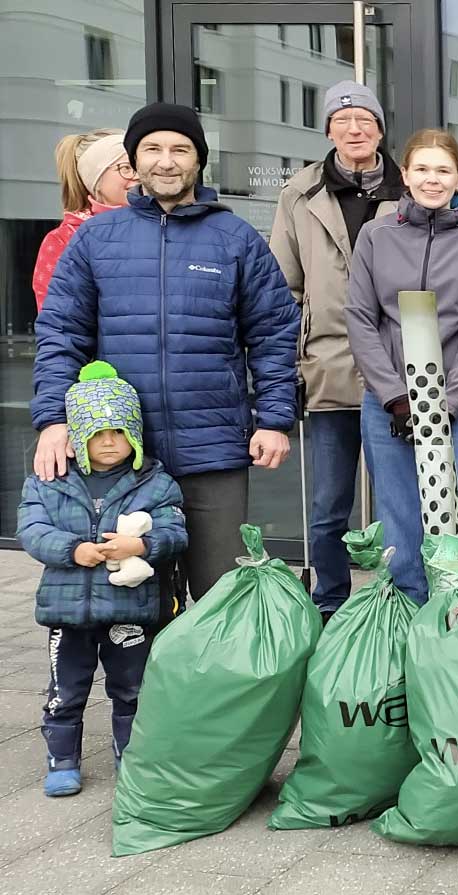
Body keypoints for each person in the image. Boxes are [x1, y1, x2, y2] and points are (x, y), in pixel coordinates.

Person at [34, 102, 298, 603]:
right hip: (120, 452)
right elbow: (60, 333)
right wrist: (53, 418)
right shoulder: (95, 239)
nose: (167, 160)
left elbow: (274, 331)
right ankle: (138, 685)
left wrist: (274, 418)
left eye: (180, 149)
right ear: (134, 162)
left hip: (214, 450)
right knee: (132, 593)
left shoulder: (234, 238)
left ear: (198, 159)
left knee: (221, 594)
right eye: (152, 149)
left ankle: (215, 683)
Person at [345, 128, 458, 604]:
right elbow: (360, 317)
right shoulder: (376, 235)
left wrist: (447, 401)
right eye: (421, 169)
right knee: (401, 531)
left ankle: (454, 639)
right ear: (405, 174)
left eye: (443, 170)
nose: (431, 180)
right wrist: (395, 395)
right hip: (389, 407)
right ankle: (406, 639)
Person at [18, 362, 187, 798]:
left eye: (118, 432)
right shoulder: (48, 481)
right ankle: (62, 760)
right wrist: (72, 550)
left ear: (133, 434)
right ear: (76, 437)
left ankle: (130, 756)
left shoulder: (155, 481)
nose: (108, 442)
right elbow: (33, 531)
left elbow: (175, 531)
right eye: (96, 433)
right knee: (65, 690)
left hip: (129, 610)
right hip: (67, 611)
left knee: (132, 689)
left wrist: (141, 548)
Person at [269, 81, 406, 620]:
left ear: (379, 129)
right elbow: (283, 286)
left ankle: (395, 601)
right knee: (328, 507)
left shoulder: (409, 187)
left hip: (395, 372)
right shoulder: (299, 194)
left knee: (399, 503)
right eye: (344, 120)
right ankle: (328, 603)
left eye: (366, 121)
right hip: (326, 366)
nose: (355, 130)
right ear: (328, 129)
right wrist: (292, 359)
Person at [33, 129, 137, 311]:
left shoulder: (164, 224)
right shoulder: (64, 239)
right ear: (94, 179)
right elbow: (57, 321)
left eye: (139, 166)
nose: (137, 176)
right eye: (126, 168)